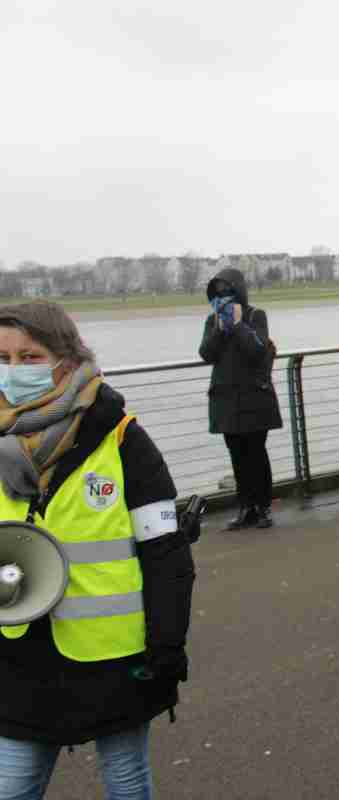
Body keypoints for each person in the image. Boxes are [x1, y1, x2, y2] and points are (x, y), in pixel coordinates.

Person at [0, 301, 194, 799]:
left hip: (112, 654)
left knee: (125, 778)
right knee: (12, 784)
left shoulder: (122, 438)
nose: (14, 370)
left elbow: (167, 552)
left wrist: (167, 643)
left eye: (30, 357)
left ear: (65, 359)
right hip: (17, 652)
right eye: (3, 358)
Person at [200, 268, 282, 530]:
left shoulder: (256, 316)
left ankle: (263, 507)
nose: (224, 298)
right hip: (225, 399)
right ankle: (245, 507)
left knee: (256, 453)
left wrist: (237, 326)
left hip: (254, 398)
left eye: (229, 291)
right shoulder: (212, 321)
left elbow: (257, 350)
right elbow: (206, 354)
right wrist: (221, 329)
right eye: (220, 292)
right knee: (236, 455)